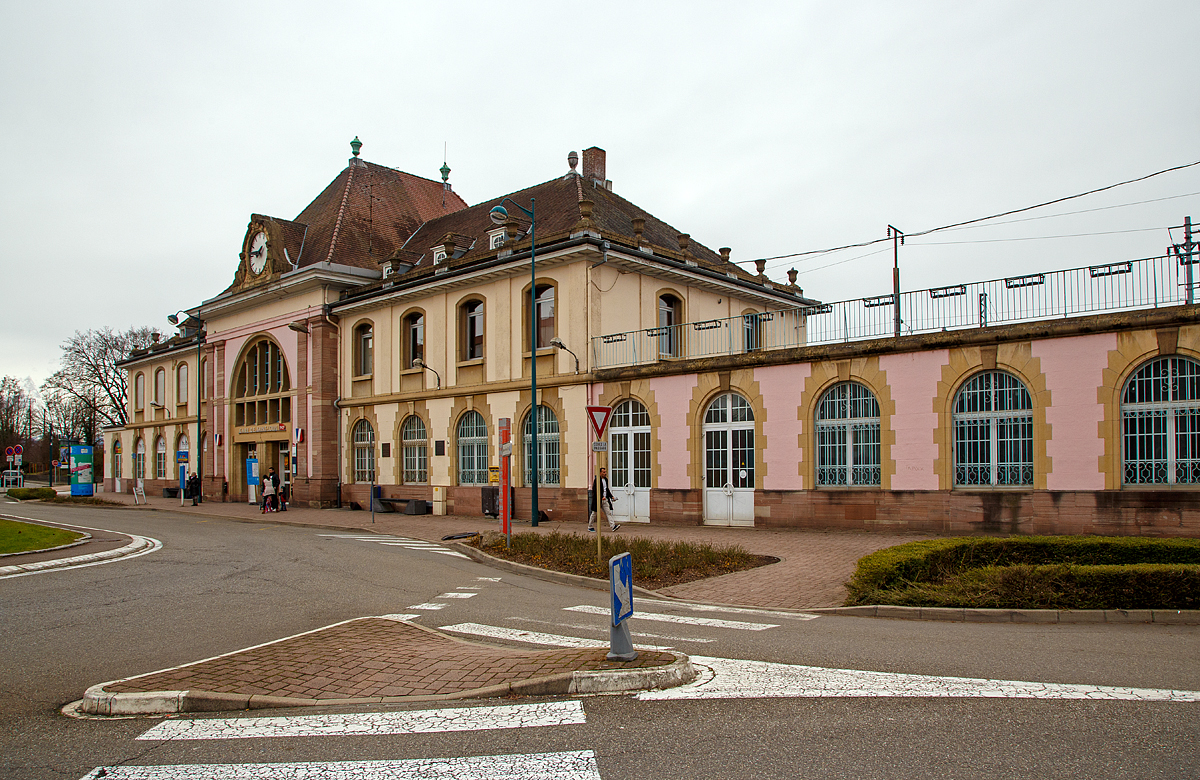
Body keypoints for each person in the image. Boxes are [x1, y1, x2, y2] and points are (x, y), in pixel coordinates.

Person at [588, 467, 620, 532]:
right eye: (603, 472)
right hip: (598, 500)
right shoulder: (597, 480)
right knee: (594, 513)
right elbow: (595, 490)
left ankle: (613, 526)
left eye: (605, 472)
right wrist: (601, 496)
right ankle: (590, 526)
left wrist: (611, 497)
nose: (605, 473)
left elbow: (606, 489)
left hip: (605, 500)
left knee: (608, 512)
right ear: (600, 473)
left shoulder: (605, 480)